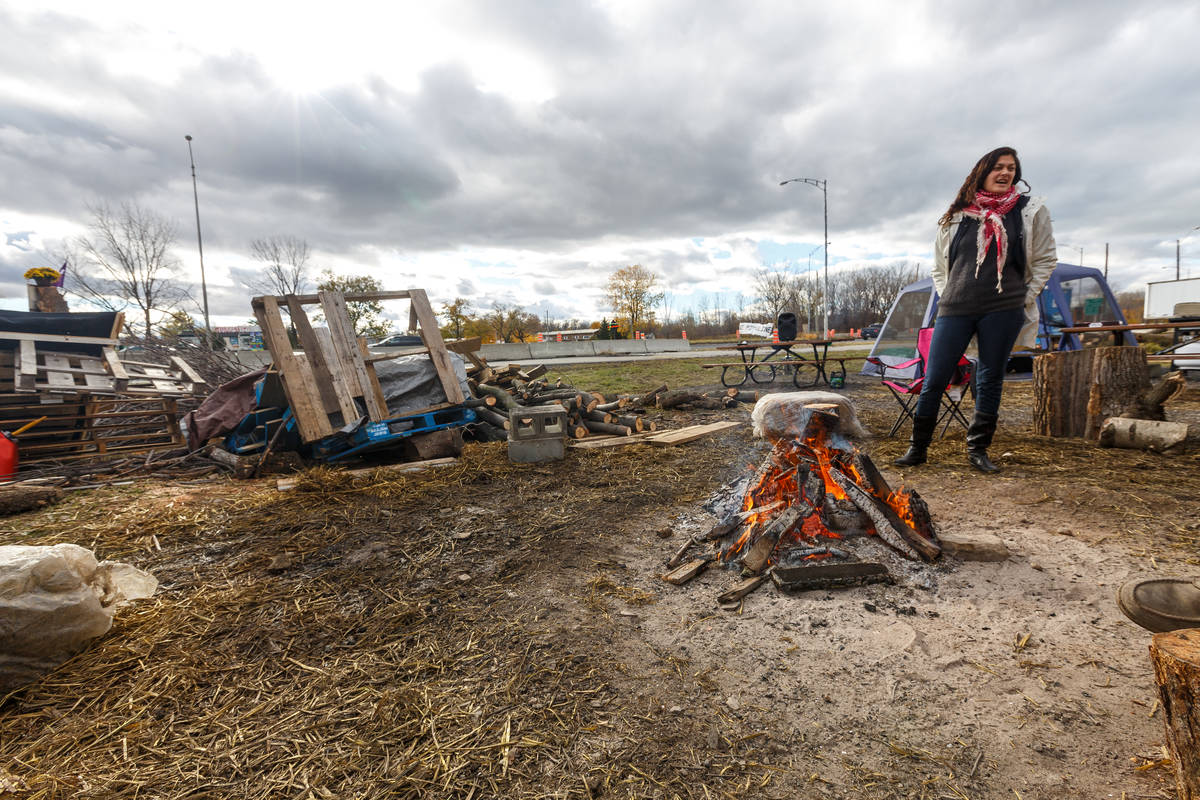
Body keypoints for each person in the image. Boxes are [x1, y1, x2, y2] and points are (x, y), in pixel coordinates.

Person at [895, 146, 1057, 473]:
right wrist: (948, 292)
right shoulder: (956, 216)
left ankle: (978, 450)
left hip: (1004, 307)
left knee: (989, 377)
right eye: (998, 167)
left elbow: (1045, 259)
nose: (1005, 173)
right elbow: (940, 267)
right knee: (935, 377)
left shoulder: (1029, 211)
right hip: (956, 307)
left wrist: (1025, 295)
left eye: (1011, 168)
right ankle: (918, 448)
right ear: (982, 172)